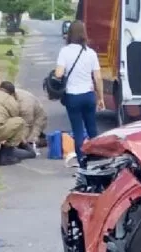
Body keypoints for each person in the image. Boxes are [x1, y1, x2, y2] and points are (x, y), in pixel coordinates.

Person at [55, 20, 103, 168]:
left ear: (70, 34)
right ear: (84, 34)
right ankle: (97, 159)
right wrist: (100, 98)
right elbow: (98, 78)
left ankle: (83, 162)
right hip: (88, 96)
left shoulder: (65, 51)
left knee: (78, 130)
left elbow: (58, 73)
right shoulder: (91, 53)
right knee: (92, 128)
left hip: (72, 97)